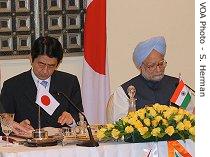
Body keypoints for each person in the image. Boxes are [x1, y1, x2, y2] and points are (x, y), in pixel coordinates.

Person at [0, 36, 83, 130]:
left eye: (51, 66)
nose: (45, 71)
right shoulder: (12, 86)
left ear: (58, 64)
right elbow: (3, 123)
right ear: (31, 59)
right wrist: (16, 126)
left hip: (60, 143)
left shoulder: (69, 82)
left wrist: (71, 121)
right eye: (41, 64)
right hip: (26, 143)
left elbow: (80, 119)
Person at [107, 36, 179, 122]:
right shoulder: (124, 92)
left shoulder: (177, 85)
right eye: (151, 66)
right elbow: (119, 129)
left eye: (161, 63)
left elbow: (191, 118)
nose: (159, 69)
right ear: (140, 66)